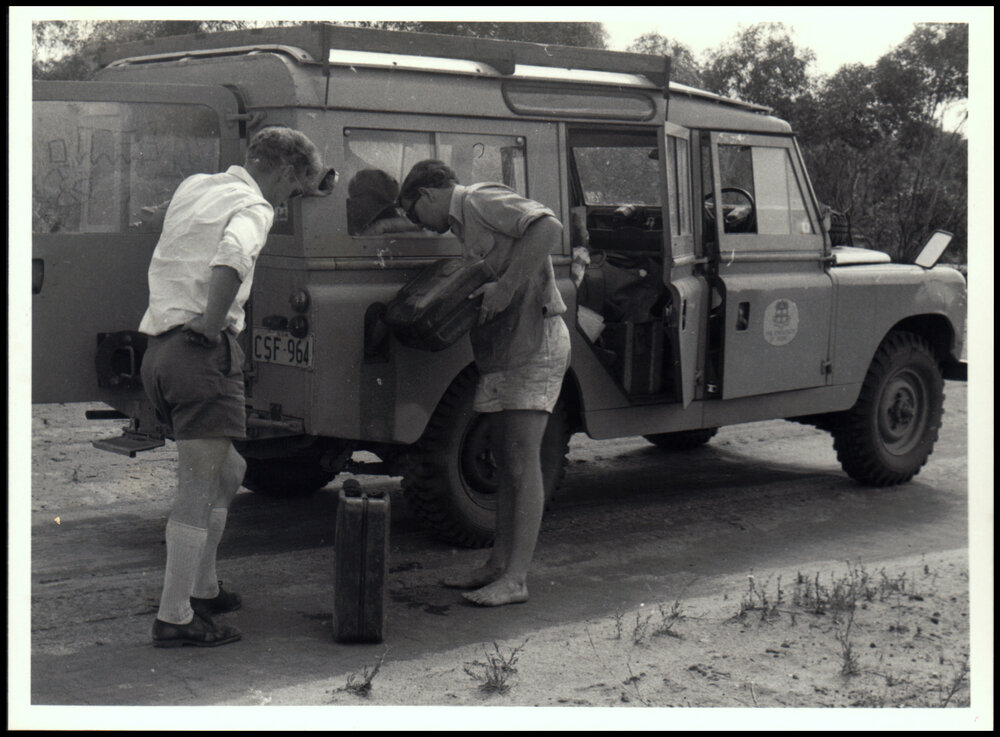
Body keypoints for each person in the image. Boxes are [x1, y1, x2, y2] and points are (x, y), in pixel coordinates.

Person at [138, 126, 326, 647]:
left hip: (159, 351)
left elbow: (164, 223)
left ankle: (204, 587)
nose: (286, 203)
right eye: (293, 190)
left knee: (231, 470)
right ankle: (175, 616)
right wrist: (210, 321)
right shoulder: (254, 207)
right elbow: (232, 257)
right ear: (283, 171)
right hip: (199, 350)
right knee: (197, 488)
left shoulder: (197, 185)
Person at [398, 160, 571, 607]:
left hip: (535, 344)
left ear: (429, 194)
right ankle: (497, 566)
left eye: (416, 213)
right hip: (503, 350)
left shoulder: (478, 199)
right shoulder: (463, 224)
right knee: (506, 459)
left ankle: (516, 580)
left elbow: (548, 227)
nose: (421, 225)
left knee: (522, 461)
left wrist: (508, 286)